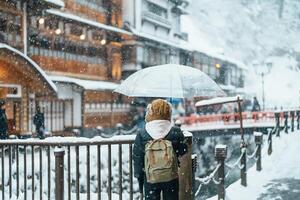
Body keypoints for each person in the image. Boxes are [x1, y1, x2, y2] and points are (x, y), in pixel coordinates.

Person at [133, 99, 187, 200]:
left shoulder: (142, 133)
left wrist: (139, 177)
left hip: (150, 178)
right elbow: (183, 150)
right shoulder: (175, 131)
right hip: (170, 176)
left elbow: (138, 158)